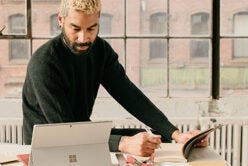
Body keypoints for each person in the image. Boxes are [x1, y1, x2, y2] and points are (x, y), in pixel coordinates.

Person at [22, 0, 208, 157]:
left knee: (153, 137)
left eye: (91, 28)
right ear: (61, 20)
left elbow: (130, 96)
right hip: (48, 149)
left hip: (81, 135)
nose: (83, 38)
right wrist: (123, 143)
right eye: (75, 28)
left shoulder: (100, 51)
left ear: (98, 22)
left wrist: (176, 134)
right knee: (132, 142)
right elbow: (65, 129)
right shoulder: (44, 63)